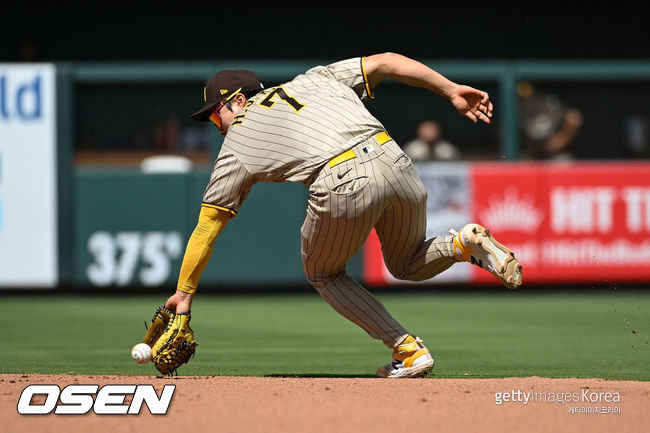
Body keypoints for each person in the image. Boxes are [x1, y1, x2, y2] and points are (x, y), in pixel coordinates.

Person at [161, 52, 522, 378]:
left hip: (342, 178)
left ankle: (408, 350)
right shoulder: (314, 78)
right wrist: (450, 90)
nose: (217, 125)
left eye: (215, 114)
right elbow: (387, 61)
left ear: (238, 100)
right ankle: (462, 243)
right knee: (407, 264)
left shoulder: (238, 137)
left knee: (323, 274)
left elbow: (207, 226)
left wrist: (185, 291)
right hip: (394, 159)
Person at [518, 81, 583, 161]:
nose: (528, 100)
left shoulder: (546, 104)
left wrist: (561, 139)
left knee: (563, 163)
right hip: (533, 154)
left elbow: (574, 117)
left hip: (556, 155)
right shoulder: (516, 109)